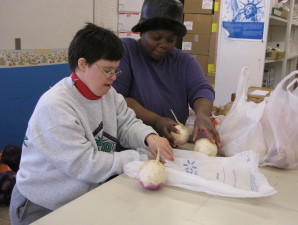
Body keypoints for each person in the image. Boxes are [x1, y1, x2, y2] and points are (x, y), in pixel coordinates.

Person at [9, 23, 173, 225]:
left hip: (79, 198)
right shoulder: (56, 107)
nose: (113, 78)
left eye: (115, 70)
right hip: (40, 206)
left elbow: (127, 123)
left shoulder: (108, 94)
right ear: (83, 64)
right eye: (107, 70)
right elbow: (86, 164)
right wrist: (138, 158)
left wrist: (149, 137)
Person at [112, 0, 221, 148]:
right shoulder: (125, 51)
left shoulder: (184, 61)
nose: (164, 44)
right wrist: (156, 120)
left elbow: (202, 89)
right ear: (142, 31)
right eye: (156, 38)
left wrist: (202, 115)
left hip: (171, 146)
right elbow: (118, 99)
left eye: (171, 40)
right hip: (131, 147)